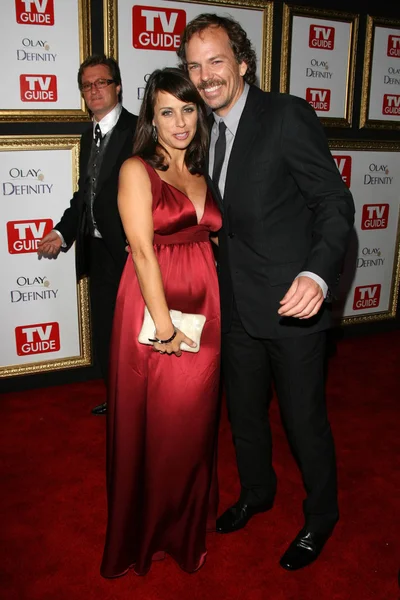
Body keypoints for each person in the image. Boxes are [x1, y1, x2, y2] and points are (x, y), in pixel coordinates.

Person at [178, 14, 355, 571]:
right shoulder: (202, 130)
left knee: (304, 421)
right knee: (245, 414)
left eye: (216, 61)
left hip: (291, 306)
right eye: (194, 65)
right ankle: (257, 491)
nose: (205, 76)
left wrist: (317, 275)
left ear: (243, 63)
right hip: (233, 305)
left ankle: (322, 515)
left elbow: (334, 204)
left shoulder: (285, 115)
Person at [100, 67, 222, 577]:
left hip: (206, 308)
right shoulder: (136, 168)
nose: (180, 122)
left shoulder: (202, 165)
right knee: (158, 423)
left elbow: (209, 233)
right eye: (167, 111)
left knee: (195, 426)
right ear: (151, 115)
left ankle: (186, 524)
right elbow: (144, 253)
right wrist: (165, 326)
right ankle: (147, 531)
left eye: (189, 109)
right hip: (156, 308)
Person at [37, 55, 137, 416]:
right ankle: (119, 399)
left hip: (130, 252)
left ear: (118, 86)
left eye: (102, 82)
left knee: (136, 333)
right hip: (97, 251)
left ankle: (142, 401)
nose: (94, 90)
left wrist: (143, 238)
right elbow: (85, 195)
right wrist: (62, 233)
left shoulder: (138, 130)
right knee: (107, 333)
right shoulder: (88, 133)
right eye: (87, 85)